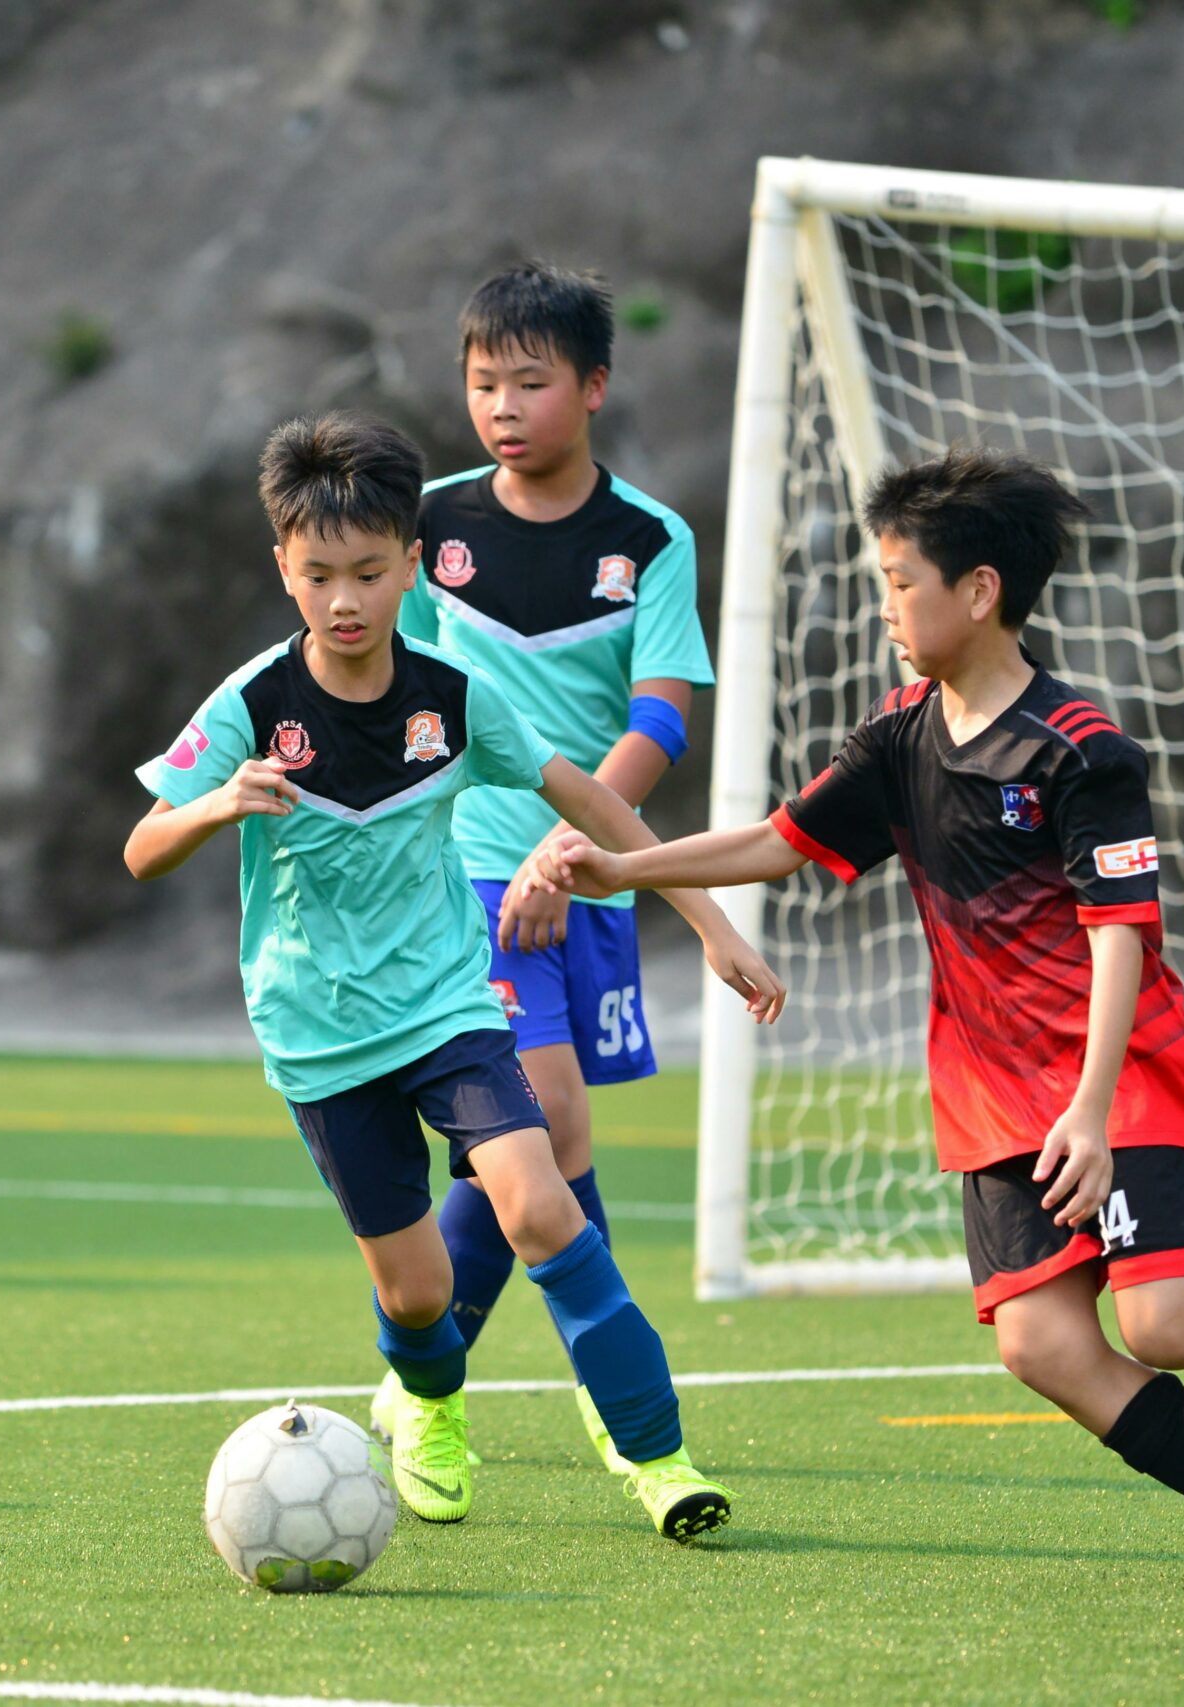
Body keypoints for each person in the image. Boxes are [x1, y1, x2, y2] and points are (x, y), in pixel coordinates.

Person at [537, 443, 1184, 1603]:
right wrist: (623, 871)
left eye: (899, 579)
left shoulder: (1081, 751)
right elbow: (779, 843)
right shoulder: (897, 738)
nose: (884, 602)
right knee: (1040, 1345)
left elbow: (1120, 934)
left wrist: (1090, 1114)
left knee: (1171, 1324)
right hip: (990, 1096)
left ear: (978, 590)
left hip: (1116, 1074)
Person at [125, 411, 783, 1539]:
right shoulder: (250, 704)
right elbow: (141, 846)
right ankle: (428, 1404)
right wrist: (216, 804)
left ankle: (660, 1460)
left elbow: (593, 800)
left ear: (410, 567)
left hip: (448, 1010)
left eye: (370, 573)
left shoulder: (455, 698)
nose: (345, 600)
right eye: (319, 574)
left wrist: (704, 920)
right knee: (419, 1294)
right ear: (281, 567)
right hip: (320, 1038)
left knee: (543, 1208)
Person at [388, 261, 717, 1475]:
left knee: (524, 1150)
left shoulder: (651, 538)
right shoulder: (426, 525)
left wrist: (576, 839)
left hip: (593, 871)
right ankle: (603, 1384)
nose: (502, 406)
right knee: (549, 1117)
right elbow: (395, 695)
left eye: (530, 382)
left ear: (592, 387)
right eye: (482, 385)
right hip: (462, 870)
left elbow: (663, 718)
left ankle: (419, 1376)